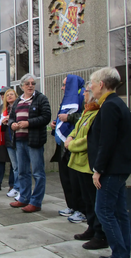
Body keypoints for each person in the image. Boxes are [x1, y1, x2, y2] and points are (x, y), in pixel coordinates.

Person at [87, 67, 131, 258]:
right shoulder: (117, 103)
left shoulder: (110, 106)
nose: (91, 87)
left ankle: (120, 254)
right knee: (120, 212)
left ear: (101, 84)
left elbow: (107, 141)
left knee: (104, 211)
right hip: (119, 167)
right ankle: (124, 251)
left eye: (92, 83)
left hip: (112, 169)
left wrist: (98, 169)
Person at [64, 81, 108, 251]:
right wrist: (69, 139)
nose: (83, 94)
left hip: (88, 164)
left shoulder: (97, 113)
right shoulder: (86, 112)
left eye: (86, 91)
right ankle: (91, 227)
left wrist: (71, 145)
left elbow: (89, 140)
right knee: (86, 201)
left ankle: (100, 234)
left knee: (94, 200)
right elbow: (75, 130)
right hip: (78, 163)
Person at [8, 73, 51, 213]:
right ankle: (24, 198)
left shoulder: (41, 98)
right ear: (22, 86)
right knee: (22, 172)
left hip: (34, 141)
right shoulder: (18, 101)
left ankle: (36, 202)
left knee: (38, 173)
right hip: (19, 141)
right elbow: (11, 118)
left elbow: (46, 117)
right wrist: (12, 124)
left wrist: (28, 123)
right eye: (27, 84)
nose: (30, 86)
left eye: (33, 83)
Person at [50, 74, 86, 223]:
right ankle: (71, 206)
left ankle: (81, 210)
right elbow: (62, 116)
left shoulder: (82, 98)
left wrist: (69, 118)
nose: (62, 87)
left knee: (76, 180)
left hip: (74, 146)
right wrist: (56, 122)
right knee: (65, 179)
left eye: (65, 85)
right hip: (62, 147)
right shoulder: (68, 98)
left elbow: (84, 118)